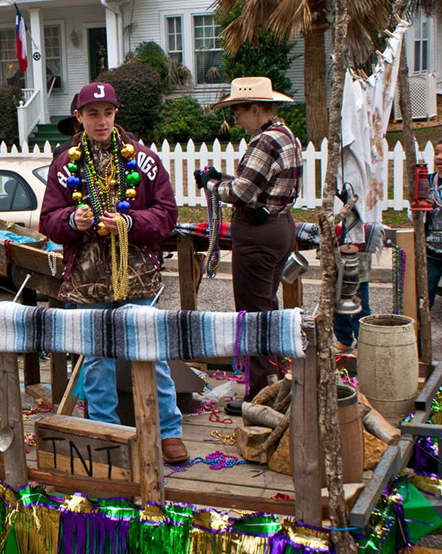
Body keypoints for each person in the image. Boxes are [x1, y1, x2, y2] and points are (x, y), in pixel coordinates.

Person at [40, 81, 188, 464]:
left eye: (107, 113)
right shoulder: (65, 163)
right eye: (93, 114)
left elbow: (167, 215)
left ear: (116, 114)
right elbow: (48, 220)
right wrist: (73, 219)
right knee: (95, 359)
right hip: (86, 283)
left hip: (137, 277)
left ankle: (168, 430)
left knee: (151, 354)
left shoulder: (143, 159)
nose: (101, 121)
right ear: (79, 117)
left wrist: (129, 221)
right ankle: (104, 433)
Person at [197, 77, 301, 416]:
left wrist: (211, 184)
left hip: (258, 235)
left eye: (239, 111)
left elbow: (242, 195)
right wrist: (224, 177)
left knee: (254, 316)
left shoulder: (264, 142)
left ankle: (261, 395)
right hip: (279, 226)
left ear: (255, 108)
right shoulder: (286, 136)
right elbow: (256, 186)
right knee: (266, 309)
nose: (236, 119)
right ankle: (274, 381)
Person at [425, 140, 442, 307]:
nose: (439, 157)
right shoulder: (428, 182)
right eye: (437, 153)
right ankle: (422, 333)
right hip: (431, 252)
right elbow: (412, 214)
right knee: (425, 298)